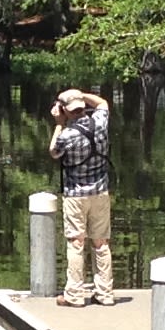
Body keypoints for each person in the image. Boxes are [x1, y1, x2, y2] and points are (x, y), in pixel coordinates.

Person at [47, 86, 117, 304]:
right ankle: (104, 294)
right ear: (83, 107)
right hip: (100, 193)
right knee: (101, 243)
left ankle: (75, 295)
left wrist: (58, 125)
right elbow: (103, 103)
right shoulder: (100, 123)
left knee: (76, 243)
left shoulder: (67, 135)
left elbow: (53, 151)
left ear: (64, 110)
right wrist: (81, 95)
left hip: (76, 195)